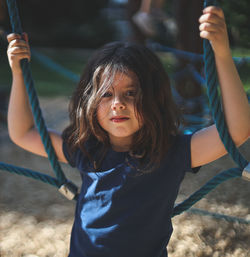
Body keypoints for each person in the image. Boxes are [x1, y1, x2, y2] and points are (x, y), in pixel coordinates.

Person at [6, 6, 250, 257]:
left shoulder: (171, 152)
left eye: (131, 93)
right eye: (107, 94)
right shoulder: (86, 148)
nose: (118, 103)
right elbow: (23, 132)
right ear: (90, 101)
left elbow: (237, 131)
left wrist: (221, 53)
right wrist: (18, 73)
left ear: (154, 99)